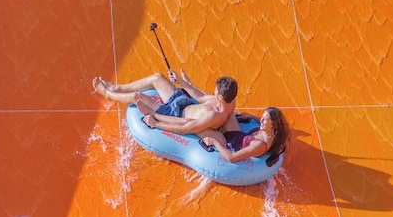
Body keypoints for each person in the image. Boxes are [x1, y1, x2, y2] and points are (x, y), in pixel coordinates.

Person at [92, 70, 238, 135]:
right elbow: (200, 97)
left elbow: (186, 128)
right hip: (184, 102)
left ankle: (108, 94)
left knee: (137, 96)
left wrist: (156, 123)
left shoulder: (214, 116)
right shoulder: (230, 101)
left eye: (216, 91)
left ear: (221, 97)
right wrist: (180, 81)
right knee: (157, 77)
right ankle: (117, 88)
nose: (213, 91)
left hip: (173, 113)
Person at [198, 106, 290, 167]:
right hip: (235, 134)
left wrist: (214, 142)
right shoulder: (272, 132)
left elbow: (231, 158)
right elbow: (263, 121)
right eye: (262, 117)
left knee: (199, 126)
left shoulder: (259, 145)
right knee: (225, 110)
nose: (261, 120)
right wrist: (251, 116)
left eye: (265, 119)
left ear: (273, 125)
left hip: (226, 143)